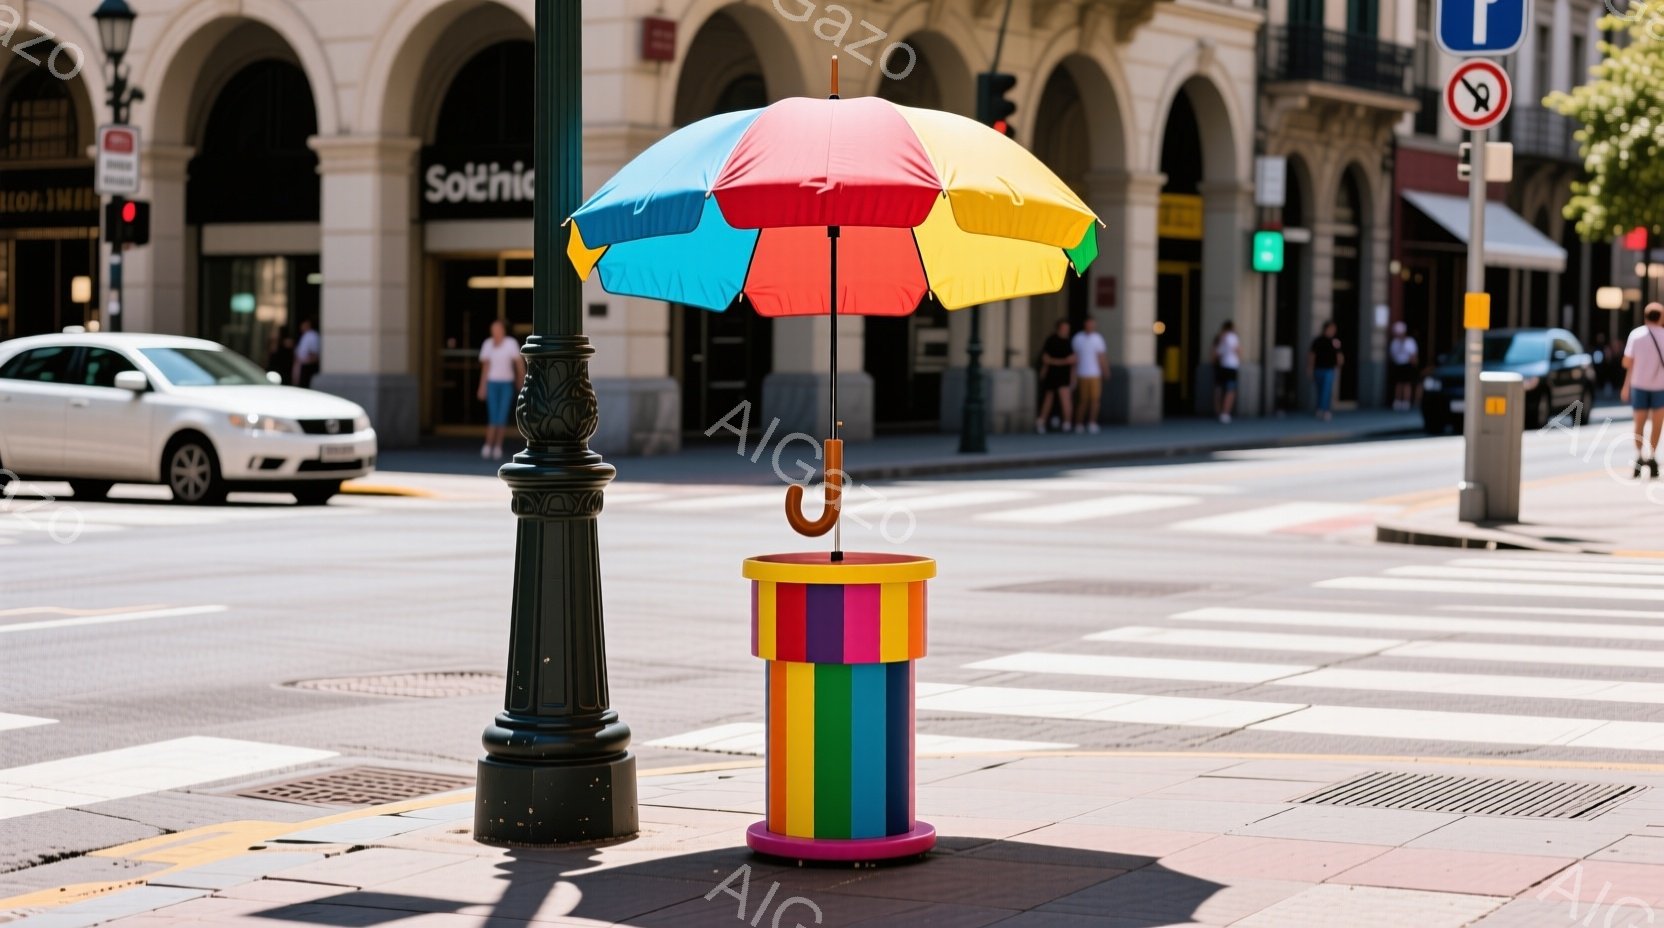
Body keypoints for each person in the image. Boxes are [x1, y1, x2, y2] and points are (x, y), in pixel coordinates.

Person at [1621, 303, 1664, 478]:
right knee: (1657, 423)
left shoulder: (1636, 335)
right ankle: (1652, 456)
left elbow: (1626, 362)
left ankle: (1639, 457)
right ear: (1660, 317)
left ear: (1645, 317)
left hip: (1638, 385)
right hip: (1660, 386)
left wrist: (1626, 386)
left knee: (1639, 423)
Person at [477, 319, 525, 459]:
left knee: (502, 415)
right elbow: (485, 367)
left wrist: (520, 380)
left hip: (506, 383)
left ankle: (498, 446)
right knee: (493, 415)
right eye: (493, 329)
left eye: (498, 329)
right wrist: (482, 386)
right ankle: (488, 445)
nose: (495, 331)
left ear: (503, 330)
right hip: (492, 383)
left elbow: (519, 363)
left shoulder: (511, 343)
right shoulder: (488, 344)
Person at [1036, 319, 1076, 433]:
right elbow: (1046, 359)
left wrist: (1073, 377)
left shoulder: (1069, 342)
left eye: (1067, 329)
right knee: (1048, 399)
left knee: (1065, 398)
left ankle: (1067, 423)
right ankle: (1041, 422)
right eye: (1064, 328)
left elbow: (1073, 360)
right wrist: (1063, 362)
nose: (1066, 331)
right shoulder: (1051, 340)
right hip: (1052, 374)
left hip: (1064, 374)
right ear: (1059, 328)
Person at [1071, 316, 1109, 433]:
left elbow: (1101, 356)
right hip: (1082, 373)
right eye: (1089, 324)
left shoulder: (1098, 338)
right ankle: (1079, 423)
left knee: (1095, 400)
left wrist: (1105, 370)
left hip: (1095, 374)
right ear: (1085, 324)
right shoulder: (1078, 338)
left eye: (1093, 324)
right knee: (1083, 400)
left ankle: (1092, 422)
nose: (1091, 326)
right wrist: (1073, 375)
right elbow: (1075, 358)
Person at [1308, 321, 1343, 421]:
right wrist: (1310, 368)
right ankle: (1320, 409)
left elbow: (1339, 355)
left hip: (1329, 369)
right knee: (1320, 390)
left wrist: (1339, 365)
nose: (1333, 331)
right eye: (1331, 329)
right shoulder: (1317, 341)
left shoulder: (1335, 341)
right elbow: (1312, 355)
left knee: (1326, 391)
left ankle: (1325, 410)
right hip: (1318, 368)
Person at [1212, 321, 1240, 424]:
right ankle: (1225, 413)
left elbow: (1215, 355)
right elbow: (1238, 351)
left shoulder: (1219, 337)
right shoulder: (1233, 337)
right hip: (1231, 366)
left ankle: (1218, 412)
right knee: (1230, 390)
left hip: (1220, 366)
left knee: (1218, 389)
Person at [1388, 321, 1419, 411]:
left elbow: (1413, 355)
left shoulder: (1409, 341)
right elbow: (1392, 354)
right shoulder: (1394, 342)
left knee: (1406, 384)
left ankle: (1406, 401)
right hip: (1398, 364)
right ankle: (1397, 401)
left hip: (1407, 364)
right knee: (1398, 383)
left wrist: (1413, 364)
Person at [293, 318, 321, 388]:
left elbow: (313, 352)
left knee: (305, 385)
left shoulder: (312, 335)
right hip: (303, 364)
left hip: (308, 365)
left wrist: (308, 361)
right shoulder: (305, 335)